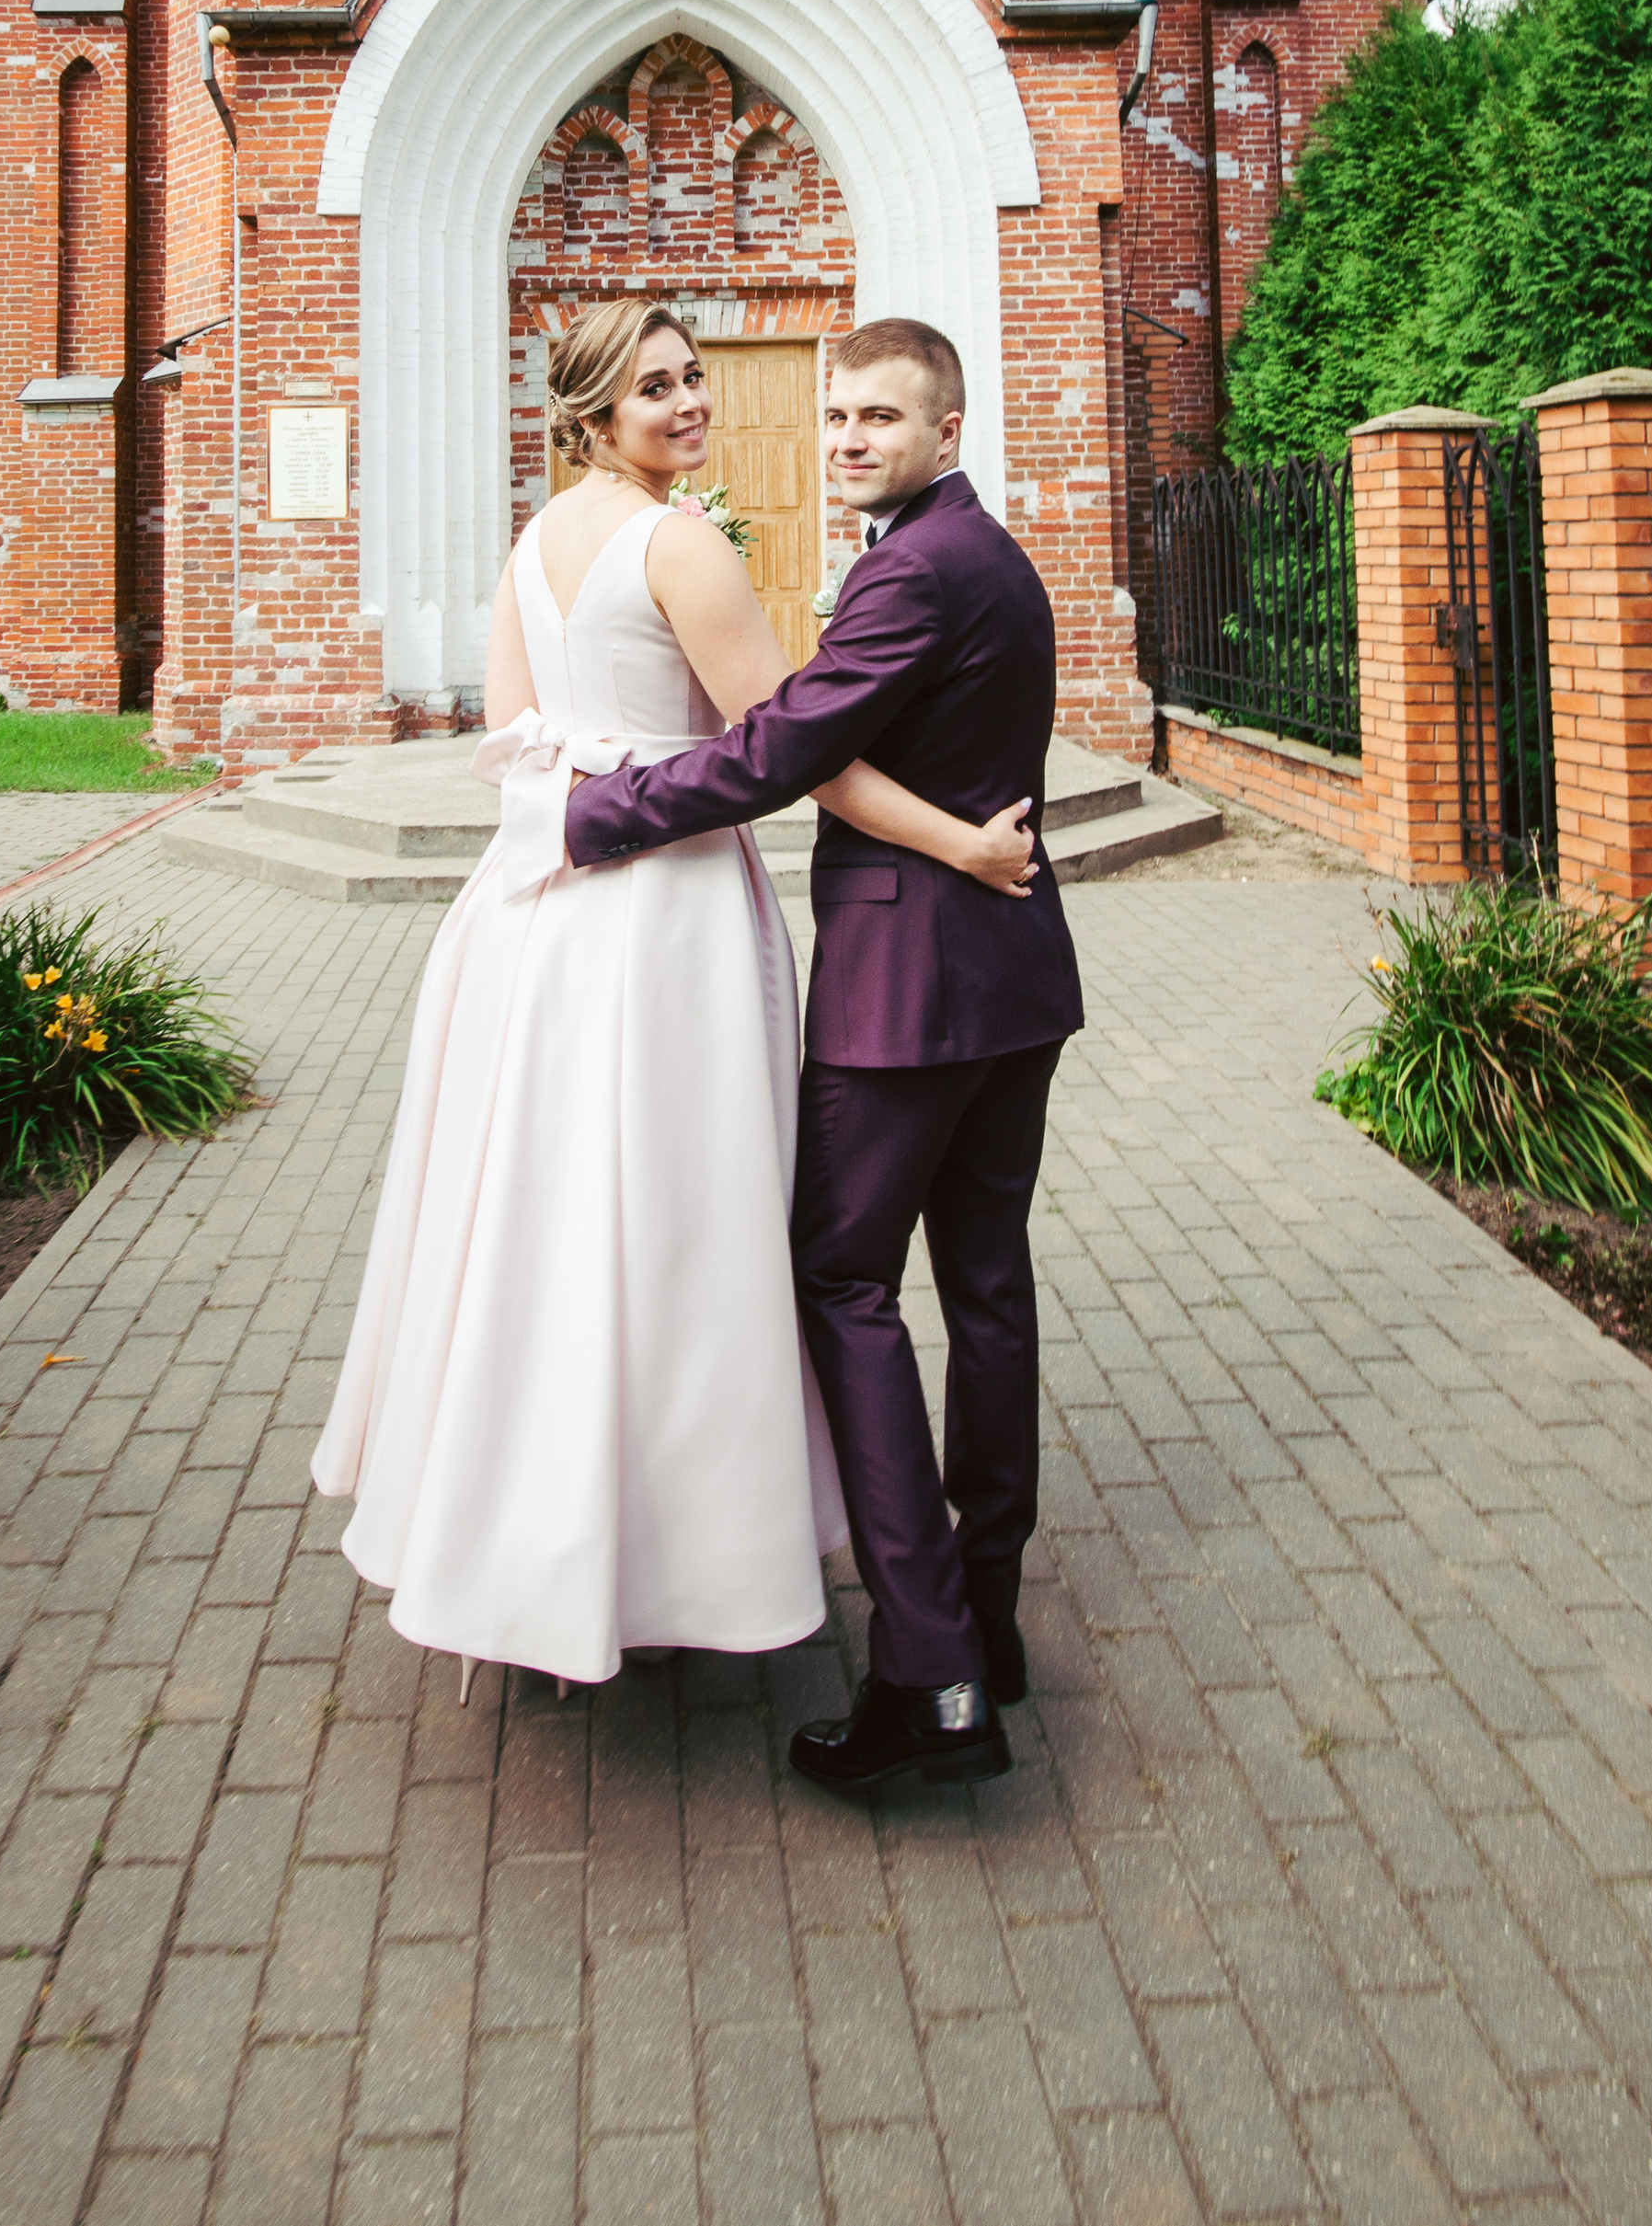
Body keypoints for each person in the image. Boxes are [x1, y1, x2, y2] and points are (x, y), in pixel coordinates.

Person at [312, 298, 1036, 1692]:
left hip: (533, 931)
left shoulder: (529, 548)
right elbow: (794, 753)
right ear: (596, 416)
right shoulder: (678, 540)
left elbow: (521, 753)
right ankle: (679, 1549)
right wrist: (960, 839)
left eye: (694, 374)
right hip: (669, 917)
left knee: (540, 1228)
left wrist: (578, 812)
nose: (692, 400)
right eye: (658, 387)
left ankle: (528, 1540)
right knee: (676, 1228)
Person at [566, 317, 1084, 1802]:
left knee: (841, 1281)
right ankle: (990, 1611)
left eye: (880, 416)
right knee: (985, 1289)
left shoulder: (912, 568)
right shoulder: (985, 551)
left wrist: (598, 814)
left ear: (950, 422)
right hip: (1014, 983)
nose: (850, 436)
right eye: (836, 412)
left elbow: (785, 741)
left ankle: (928, 1674)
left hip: (907, 997)